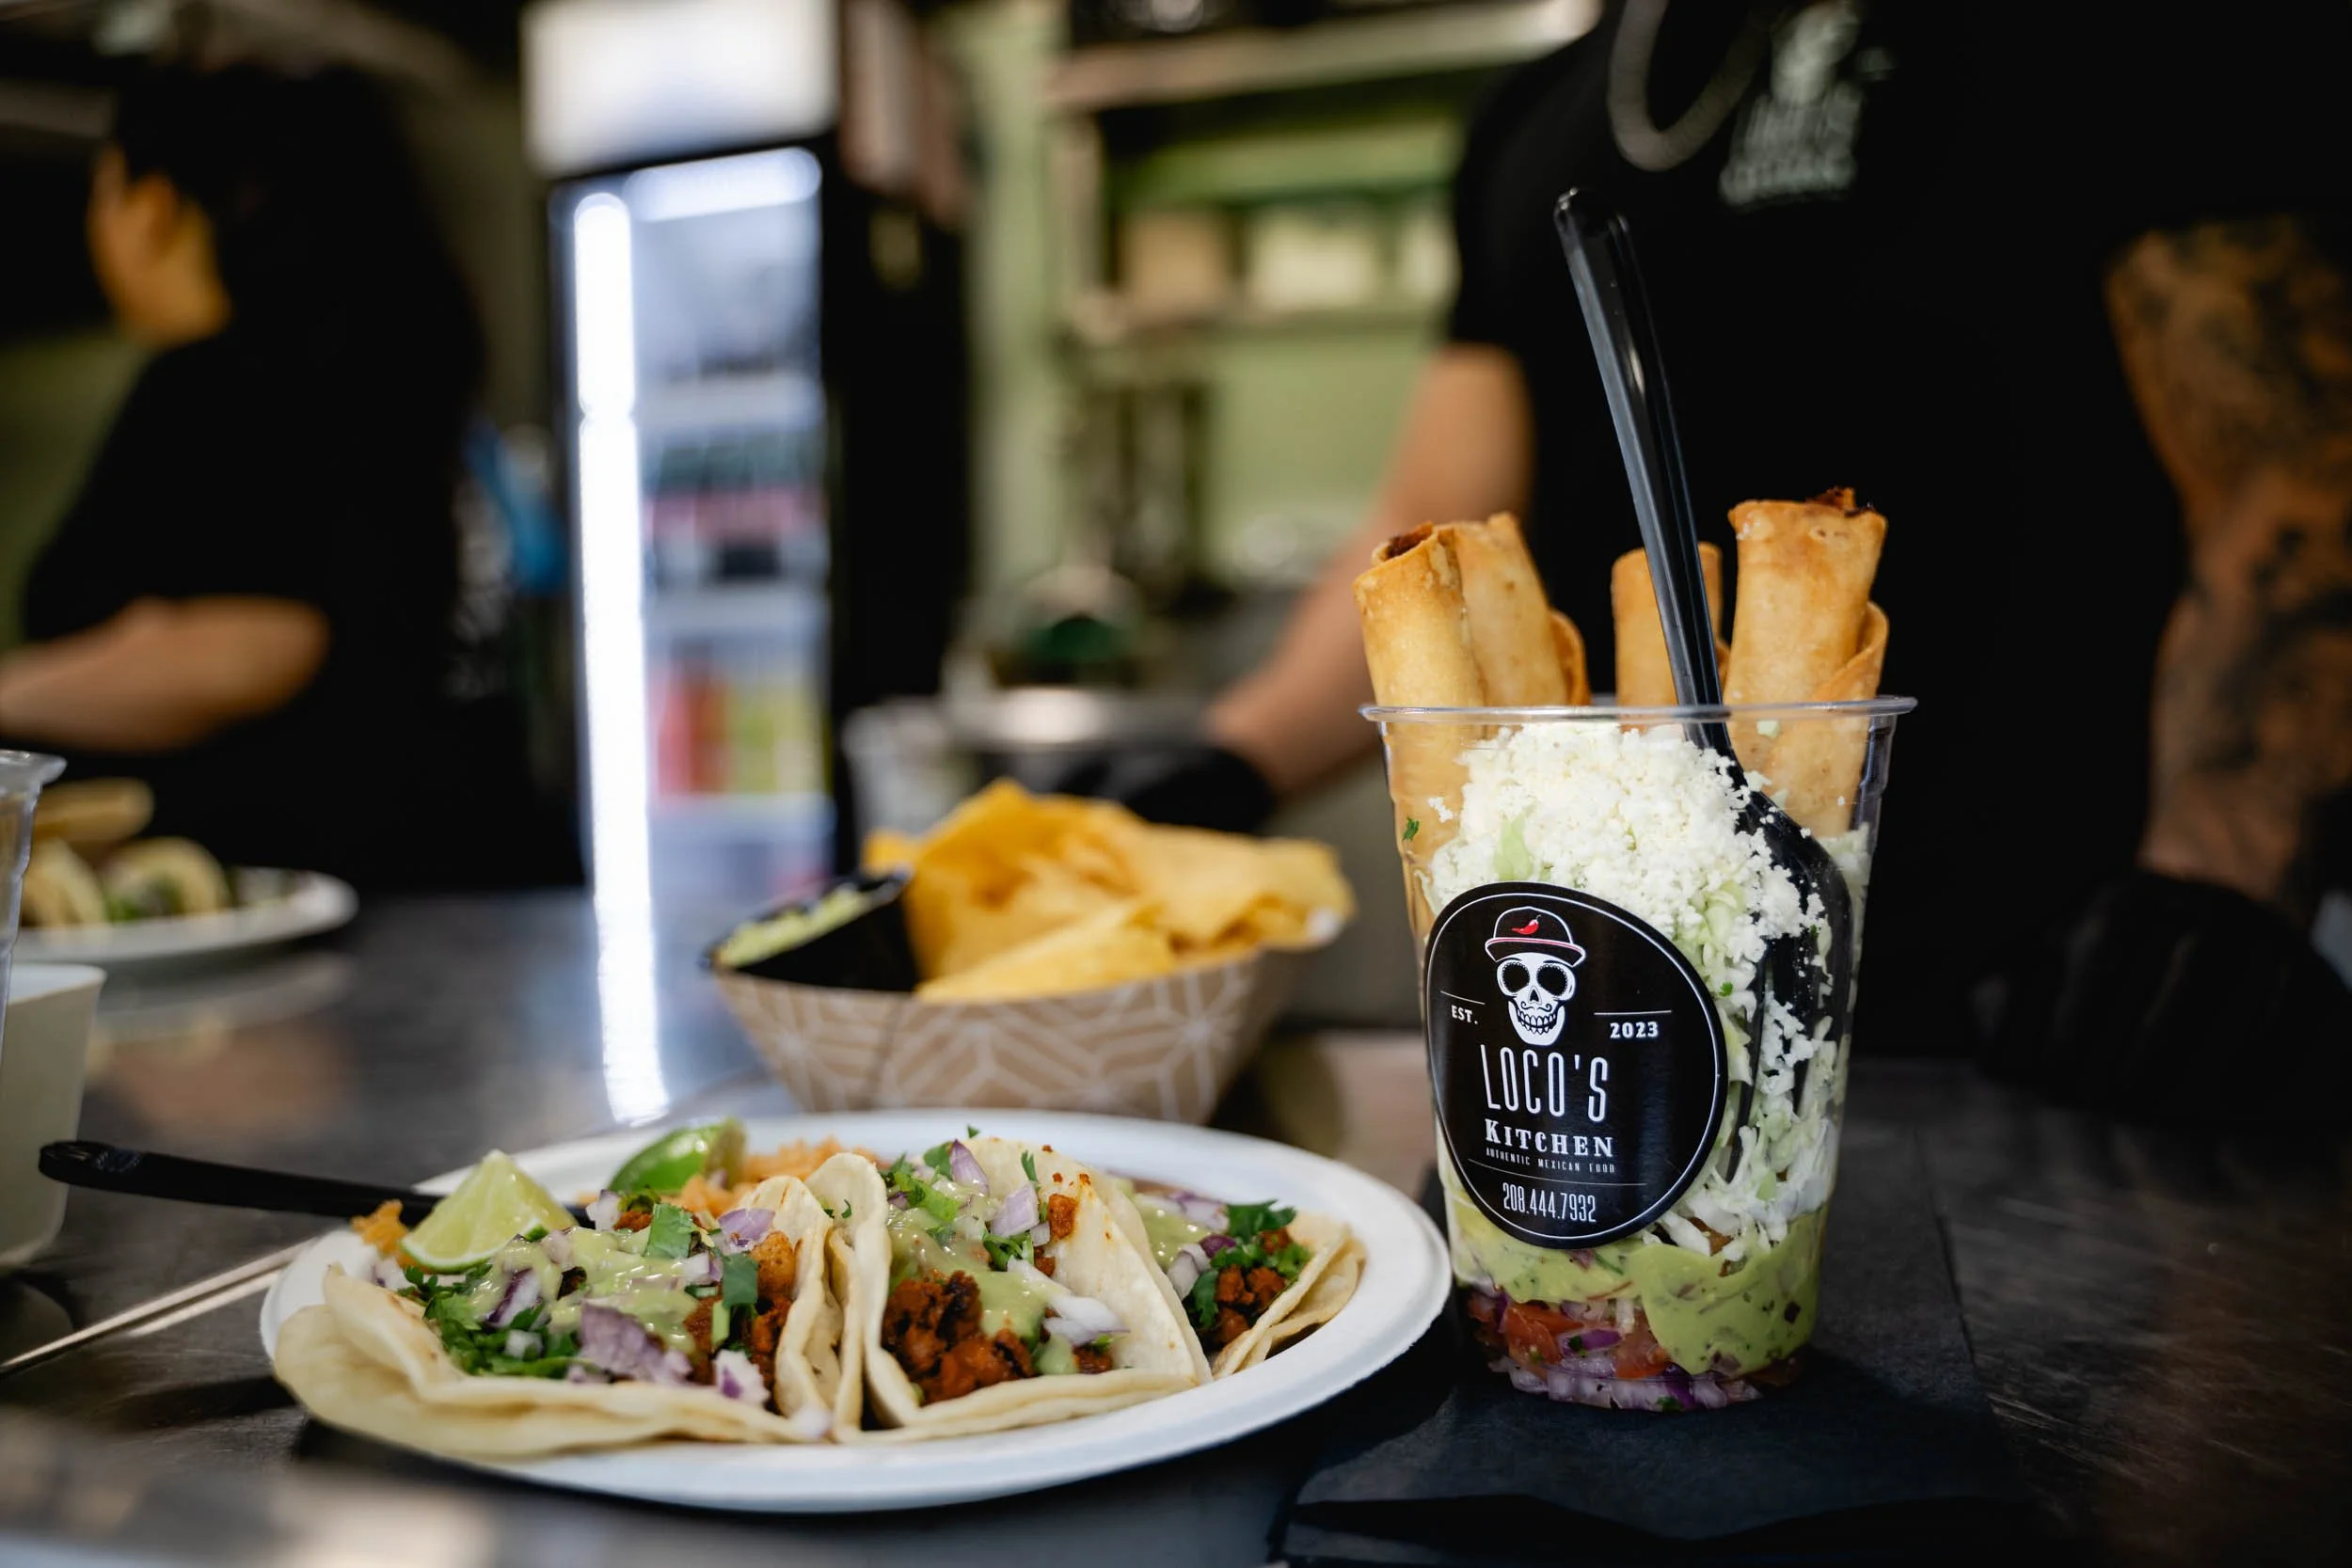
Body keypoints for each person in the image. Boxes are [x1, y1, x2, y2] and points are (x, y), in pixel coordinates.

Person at [1101, 1, 2352, 1108]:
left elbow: (2297, 462)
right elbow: (1433, 534)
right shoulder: (1543, 111)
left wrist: (2218, 878)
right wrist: (1226, 764)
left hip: (2027, 1010)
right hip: (1634, 1012)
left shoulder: (2109, 26)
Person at [0, 63, 564, 889]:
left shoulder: (225, 383)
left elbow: (250, 646)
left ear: (152, 209)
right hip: (477, 871)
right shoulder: (374, 367)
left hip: (332, 911)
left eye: (104, 190)